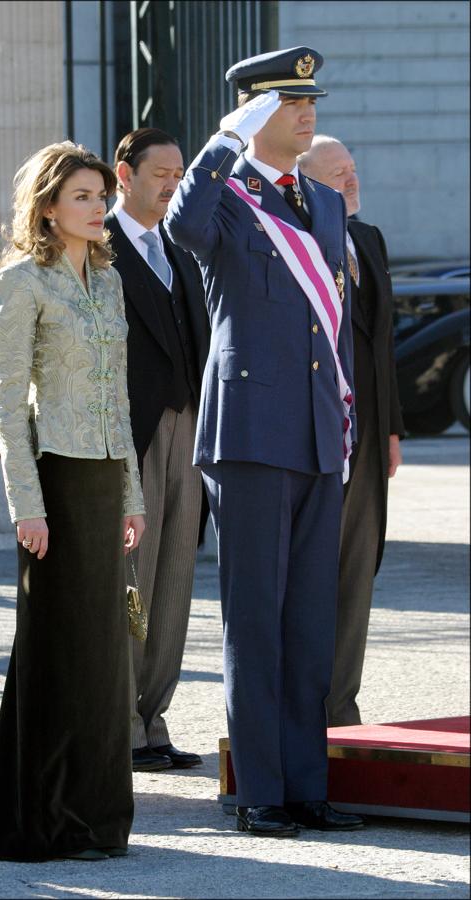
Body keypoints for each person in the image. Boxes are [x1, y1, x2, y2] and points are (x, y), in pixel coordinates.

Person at [166, 47, 365, 836]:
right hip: (250, 433)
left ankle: (306, 787)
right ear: (254, 112)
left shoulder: (321, 199)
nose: (308, 112)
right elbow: (183, 227)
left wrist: (345, 415)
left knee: (310, 619)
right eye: (290, 102)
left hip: (319, 432)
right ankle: (258, 791)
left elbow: (335, 327)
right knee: (254, 618)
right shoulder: (224, 196)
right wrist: (223, 142)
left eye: (311, 99)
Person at [0, 141, 145, 862]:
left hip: (106, 481)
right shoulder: (22, 281)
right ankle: (37, 819)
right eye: (82, 196)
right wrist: (26, 506)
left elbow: (121, 398)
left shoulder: (108, 282)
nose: (98, 207)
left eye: (101, 196)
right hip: (55, 481)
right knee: (56, 650)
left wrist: (133, 493)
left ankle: (98, 818)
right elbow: (9, 406)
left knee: (105, 654)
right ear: (47, 207)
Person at [105, 128, 209, 772]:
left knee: (175, 576)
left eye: (179, 173)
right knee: (131, 583)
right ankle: (120, 719)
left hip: (188, 431)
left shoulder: (182, 247)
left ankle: (155, 714)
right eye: (161, 173)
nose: (172, 184)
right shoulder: (99, 247)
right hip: (132, 436)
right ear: (126, 174)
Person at [298, 135, 404, 726]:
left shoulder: (369, 239)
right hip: (316, 432)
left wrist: (391, 430)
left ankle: (342, 705)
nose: (352, 181)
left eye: (354, 170)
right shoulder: (296, 243)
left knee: (358, 568)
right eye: (338, 174)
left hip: (368, 437)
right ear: (309, 183)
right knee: (315, 570)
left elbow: (381, 343)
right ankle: (308, 705)